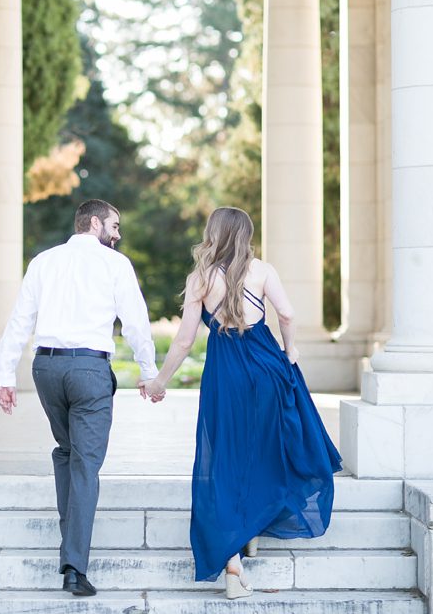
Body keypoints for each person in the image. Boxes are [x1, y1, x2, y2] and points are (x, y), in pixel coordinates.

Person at [143, 206, 342, 600]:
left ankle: (233, 565)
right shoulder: (263, 270)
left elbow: (184, 340)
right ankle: (251, 528)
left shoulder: (200, 278)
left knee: (227, 459)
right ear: (246, 235)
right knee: (267, 449)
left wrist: (158, 382)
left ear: (213, 234)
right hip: (267, 366)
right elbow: (285, 313)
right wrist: (291, 351)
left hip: (226, 374)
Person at [0, 198, 160, 597]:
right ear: (94, 223)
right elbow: (136, 322)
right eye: (115, 226)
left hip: (46, 369)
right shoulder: (115, 264)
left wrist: (5, 374)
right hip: (88, 369)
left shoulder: (43, 261)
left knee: (68, 452)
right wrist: (150, 372)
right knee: (85, 464)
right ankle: (74, 568)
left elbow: (20, 320)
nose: (118, 235)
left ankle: (71, 544)